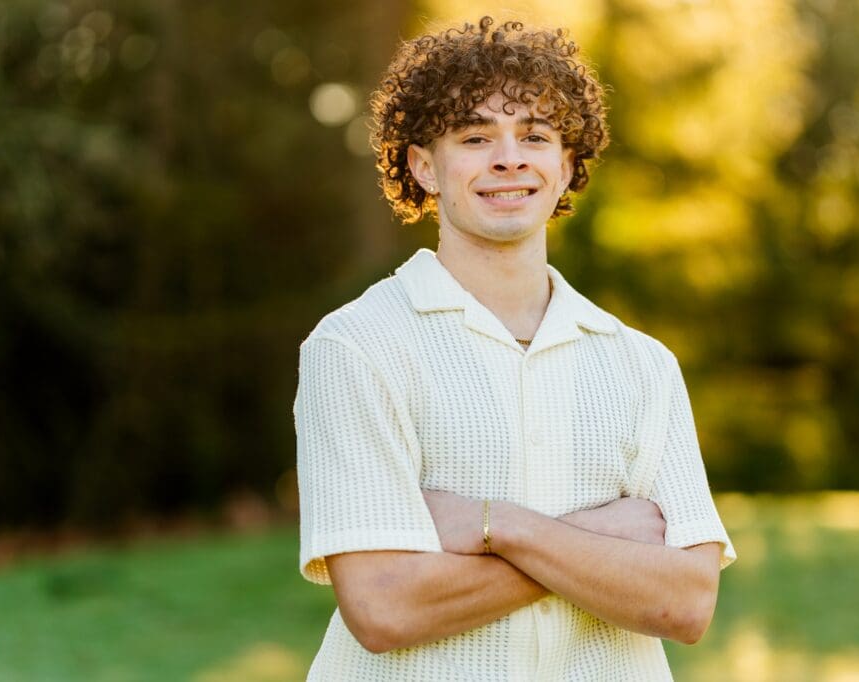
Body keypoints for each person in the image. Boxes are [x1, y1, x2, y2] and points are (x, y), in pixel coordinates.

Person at [294, 16, 735, 680]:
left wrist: (499, 526)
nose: (509, 158)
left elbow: (687, 602)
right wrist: (603, 541)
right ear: (424, 166)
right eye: (475, 137)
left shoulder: (643, 364)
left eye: (535, 136)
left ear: (566, 165)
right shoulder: (357, 346)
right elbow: (383, 607)